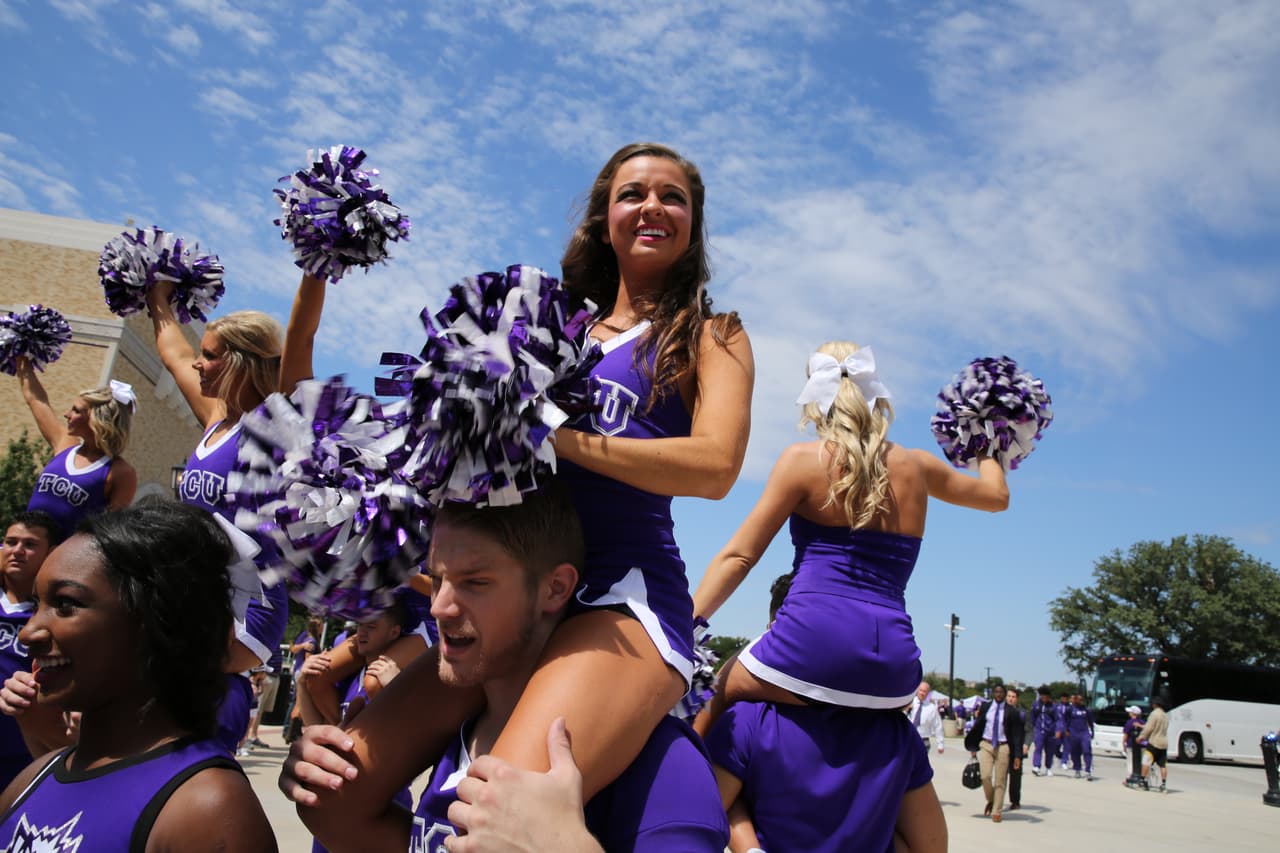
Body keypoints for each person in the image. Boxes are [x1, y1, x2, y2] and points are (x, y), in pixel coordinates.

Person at [280, 485, 729, 851]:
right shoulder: (455, 735)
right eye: (437, 579)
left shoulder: (664, 766)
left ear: (555, 589)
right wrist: (315, 771)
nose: (439, 607)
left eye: (475, 582)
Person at [692, 341, 1008, 735]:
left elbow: (740, 557)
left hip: (810, 644)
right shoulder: (918, 467)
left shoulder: (801, 461)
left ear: (815, 396)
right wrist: (985, 436)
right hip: (895, 668)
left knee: (714, 692)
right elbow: (997, 498)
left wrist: (686, 624)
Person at [0, 499, 276, 850]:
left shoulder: (205, 810)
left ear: (157, 622)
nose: (28, 633)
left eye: (66, 604)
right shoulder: (33, 779)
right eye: (37, 603)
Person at [145, 283, 291, 755]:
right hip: (194, 597)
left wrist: (318, 262)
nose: (197, 364)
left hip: (246, 606)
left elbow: (301, 340)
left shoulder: (273, 427)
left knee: (184, 729)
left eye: (209, 356)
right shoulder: (215, 419)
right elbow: (173, 354)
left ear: (241, 364)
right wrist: (155, 295)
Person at [13, 358, 137, 538]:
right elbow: (36, 400)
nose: (67, 414)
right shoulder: (65, 444)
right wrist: (21, 356)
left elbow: (110, 534)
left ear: (98, 419)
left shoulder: (120, 472)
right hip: (23, 545)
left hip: (62, 554)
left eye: (76, 410)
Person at [0, 513, 69, 789]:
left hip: (25, 759)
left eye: (29, 544)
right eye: (10, 542)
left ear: (51, 553)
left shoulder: (60, 616)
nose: (17, 551)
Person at [964, 684, 1022, 823]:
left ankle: (997, 811)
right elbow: (978, 726)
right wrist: (973, 747)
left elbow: (1017, 735)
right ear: (993, 693)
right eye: (996, 692)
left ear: (1004, 694)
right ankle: (991, 800)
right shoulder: (986, 707)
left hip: (1003, 746)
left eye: (1001, 692)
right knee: (985, 776)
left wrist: (1017, 755)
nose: (999, 694)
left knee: (1001, 780)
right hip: (986, 744)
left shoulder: (1012, 712)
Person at [1137, 696, 1169, 792]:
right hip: (1163, 743)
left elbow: (1149, 728)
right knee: (1163, 765)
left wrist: (1141, 737)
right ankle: (1163, 784)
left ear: (1155, 704)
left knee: (1146, 761)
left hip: (1154, 742)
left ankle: (1142, 781)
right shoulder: (1165, 715)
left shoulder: (1154, 714)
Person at [909, 680, 945, 755]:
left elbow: (938, 726)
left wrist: (940, 744)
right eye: (920, 690)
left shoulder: (932, 708)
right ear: (917, 690)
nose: (922, 693)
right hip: (907, 738)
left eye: (924, 691)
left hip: (923, 740)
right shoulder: (909, 703)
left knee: (919, 762)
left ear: (928, 693)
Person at [1063, 693, 1094, 780]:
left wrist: (1092, 732)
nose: (1080, 701)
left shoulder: (1086, 710)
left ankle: (1088, 771)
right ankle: (1077, 769)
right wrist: (1066, 730)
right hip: (1073, 733)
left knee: (1086, 750)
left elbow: (1090, 722)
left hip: (1084, 733)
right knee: (1075, 752)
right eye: (1078, 699)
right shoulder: (1070, 709)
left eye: (1081, 700)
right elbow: (1065, 721)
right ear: (1075, 700)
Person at [1028, 685, 1057, 776]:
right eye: (1042, 696)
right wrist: (1033, 726)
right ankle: (1036, 766)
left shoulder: (1053, 706)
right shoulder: (1036, 705)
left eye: (1046, 696)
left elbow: (1057, 719)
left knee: (1049, 750)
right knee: (1038, 748)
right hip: (1039, 730)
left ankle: (1048, 767)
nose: (1044, 698)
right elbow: (1032, 716)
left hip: (1050, 731)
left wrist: (1056, 730)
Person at [1004, 688, 1026, 810]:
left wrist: (1026, 744)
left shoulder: (1022, 712)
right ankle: (997, 800)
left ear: (1017, 699)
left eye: (1013, 697)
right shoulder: (1001, 711)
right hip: (1003, 747)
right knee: (1001, 776)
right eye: (1009, 696)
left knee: (1015, 777)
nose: (1010, 699)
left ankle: (1015, 801)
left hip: (1017, 748)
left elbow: (1029, 730)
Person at [1122, 705, 1146, 787]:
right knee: (1141, 762)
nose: (1129, 713)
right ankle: (1141, 778)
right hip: (1142, 745)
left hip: (1131, 745)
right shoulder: (1142, 722)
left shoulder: (1129, 722)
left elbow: (1126, 734)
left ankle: (1130, 778)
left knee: (1130, 762)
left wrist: (1123, 743)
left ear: (1133, 713)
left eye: (1130, 711)